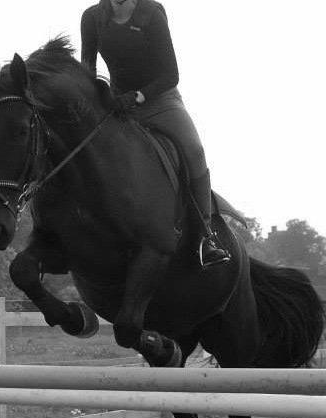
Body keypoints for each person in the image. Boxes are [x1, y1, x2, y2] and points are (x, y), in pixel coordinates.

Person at [80, 0, 230, 267]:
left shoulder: (151, 13)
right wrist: (98, 99)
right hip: (116, 102)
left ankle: (206, 238)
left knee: (195, 151)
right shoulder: (91, 17)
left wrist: (138, 97)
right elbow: (87, 69)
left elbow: (170, 74)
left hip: (159, 100)